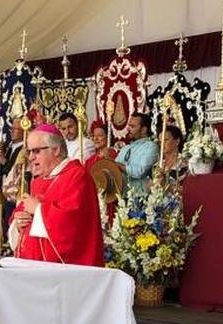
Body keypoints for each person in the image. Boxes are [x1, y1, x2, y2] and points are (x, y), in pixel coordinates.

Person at [9, 125, 105, 266]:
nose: (30, 157)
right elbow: (22, 212)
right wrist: (18, 222)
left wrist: (38, 209)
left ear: (56, 150)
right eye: (29, 152)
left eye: (36, 151)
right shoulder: (38, 181)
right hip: (33, 266)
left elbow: (72, 224)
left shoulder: (77, 176)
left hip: (65, 270)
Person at [116, 113, 158, 197]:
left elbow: (139, 171)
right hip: (122, 198)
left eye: (132, 126)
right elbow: (115, 169)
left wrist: (119, 166)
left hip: (140, 198)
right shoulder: (125, 148)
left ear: (143, 130)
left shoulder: (151, 146)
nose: (128, 129)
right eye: (128, 126)